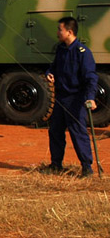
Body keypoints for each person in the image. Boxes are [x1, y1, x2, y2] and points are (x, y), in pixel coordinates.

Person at [45, 16, 98, 177]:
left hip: (76, 99)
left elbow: (91, 77)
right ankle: (56, 164)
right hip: (61, 98)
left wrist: (90, 97)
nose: (57, 32)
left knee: (77, 131)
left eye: (59, 29)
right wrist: (50, 73)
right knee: (55, 130)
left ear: (69, 32)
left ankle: (86, 167)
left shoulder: (82, 52)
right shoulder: (61, 49)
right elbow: (53, 67)